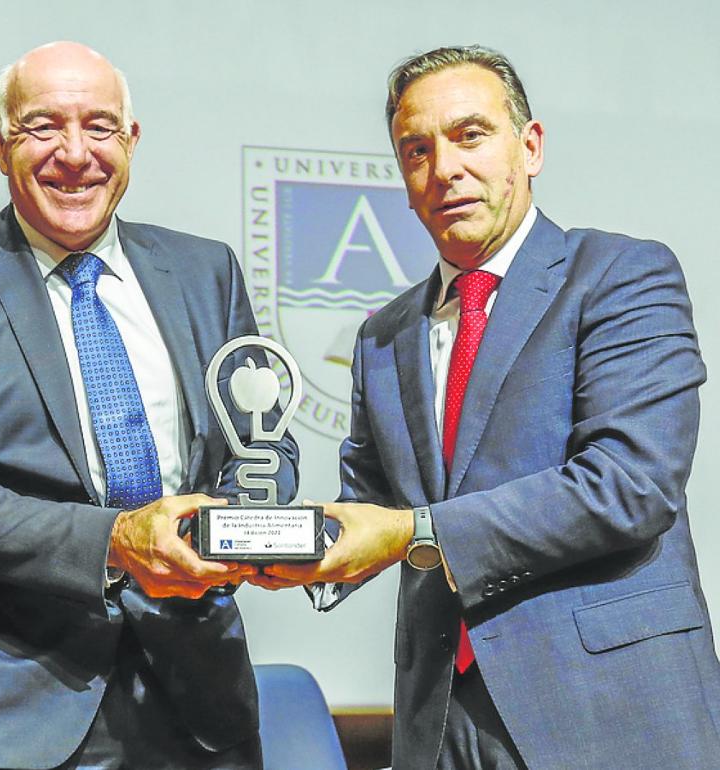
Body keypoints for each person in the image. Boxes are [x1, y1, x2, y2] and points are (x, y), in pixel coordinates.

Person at [254, 45, 720, 768]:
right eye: (416, 150)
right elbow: (369, 508)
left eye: (470, 135)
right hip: (440, 723)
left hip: (609, 711)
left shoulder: (622, 276)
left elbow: (630, 486)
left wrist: (414, 530)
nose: (444, 169)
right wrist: (267, 545)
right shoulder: (383, 336)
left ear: (529, 148)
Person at [0, 41, 298, 770]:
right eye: (44, 126)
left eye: (101, 127)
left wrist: (237, 526)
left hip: (203, 706)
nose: (76, 154)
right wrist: (117, 540)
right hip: (16, 714)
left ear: (131, 141)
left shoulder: (205, 271)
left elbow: (264, 444)